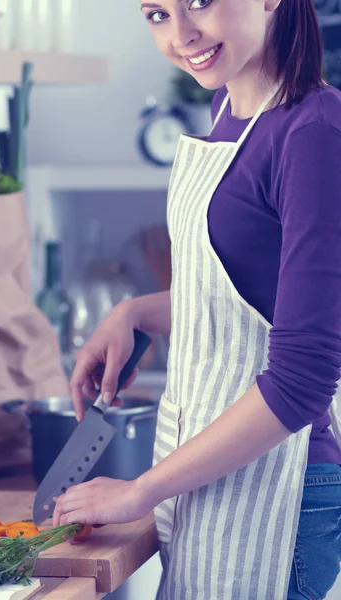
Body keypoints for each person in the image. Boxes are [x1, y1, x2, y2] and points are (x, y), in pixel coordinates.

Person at [51, 1, 341, 598]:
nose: (181, 35)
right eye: (156, 13)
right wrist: (135, 313)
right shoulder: (228, 108)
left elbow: (302, 379)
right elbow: (246, 297)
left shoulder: (313, 134)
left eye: (200, 1)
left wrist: (139, 490)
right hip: (212, 478)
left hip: (283, 490)